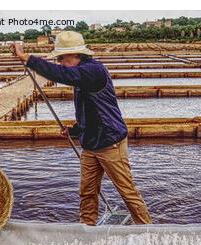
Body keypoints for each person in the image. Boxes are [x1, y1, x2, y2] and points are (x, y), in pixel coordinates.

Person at [11, 31, 152, 225]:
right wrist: (74, 131)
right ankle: (87, 228)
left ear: (76, 54)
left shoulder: (93, 70)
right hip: (90, 144)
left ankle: (148, 231)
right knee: (87, 192)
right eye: (58, 58)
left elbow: (63, 74)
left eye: (62, 57)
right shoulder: (81, 75)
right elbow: (90, 112)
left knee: (127, 192)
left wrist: (27, 58)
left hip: (110, 143)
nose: (60, 61)